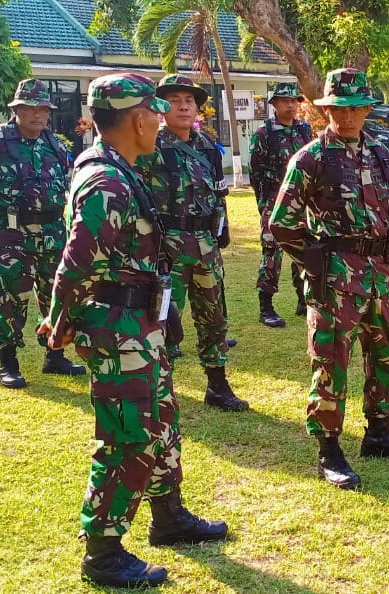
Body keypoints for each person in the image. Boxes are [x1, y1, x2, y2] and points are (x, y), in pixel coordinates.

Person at [39, 73, 227, 589]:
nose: (162, 121)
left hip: (138, 322)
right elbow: (76, 263)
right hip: (116, 327)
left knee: (160, 417)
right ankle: (102, 553)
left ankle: (169, 518)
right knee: (127, 434)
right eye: (156, 112)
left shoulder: (122, 169)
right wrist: (59, 321)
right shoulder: (107, 181)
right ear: (139, 118)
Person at [270, 68, 389, 490]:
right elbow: (282, 224)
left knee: (386, 354)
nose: (349, 116)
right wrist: (315, 262)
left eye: (357, 108)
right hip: (336, 279)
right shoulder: (310, 158)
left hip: (380, 275)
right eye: (339, 108)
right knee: (331, 363)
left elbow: (388, 211)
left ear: (368, 109)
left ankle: (379, 432)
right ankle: (329, 449)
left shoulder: (380, 155)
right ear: (326, 109)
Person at [0, 78, 86, 388]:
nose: (38, 115)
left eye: (43, 109)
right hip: (12, 235)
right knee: (9, 296)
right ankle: (8, 362)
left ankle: (54, 355)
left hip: (52, 231)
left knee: (54, 294)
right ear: (16, 109)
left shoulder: (55, 143)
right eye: (30, 109)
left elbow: (65, 183)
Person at [135, 75, 247, 412]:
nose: (183, 105)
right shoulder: (149, 148)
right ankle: (158, 388)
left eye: (189, 100)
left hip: (205, 245)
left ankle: (217, 385)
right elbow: (136, 197)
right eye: (174, 100)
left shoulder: (208, 147)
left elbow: (219, 190)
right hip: (166, 247)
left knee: (214, 316)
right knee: (163, 317)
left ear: (198, 107)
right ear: (160, 107)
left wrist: (222, 226)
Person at [249, 82, 313, 325]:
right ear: (274, 104)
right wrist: (264, 206)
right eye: (284, 100)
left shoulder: (304, 130)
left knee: (305, 250)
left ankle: (304, 300)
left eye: (294, 100)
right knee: (272, 253)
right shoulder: (263, 134)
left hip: (303, 202)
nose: (290, 105)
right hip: (274, 202)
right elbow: (255, 174)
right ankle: (266, 307)